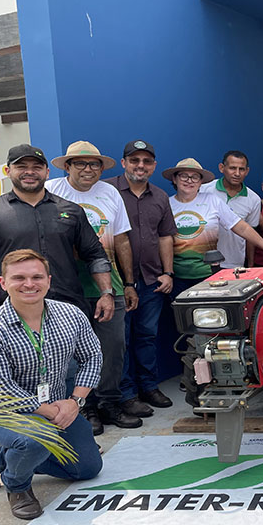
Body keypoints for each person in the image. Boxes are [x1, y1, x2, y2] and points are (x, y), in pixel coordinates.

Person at [0, 249, 103, 520]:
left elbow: (92, 356)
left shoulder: (71, 315)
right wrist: (51, 412)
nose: (29, 284)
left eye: (36, 277)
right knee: (36, 439)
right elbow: (1, 389)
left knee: (86, 468)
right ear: (3, 283)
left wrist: (74, 401)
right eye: (19, 278)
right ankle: (17, 485)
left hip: (56, 406)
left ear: (49, 281)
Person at [45, 141, 140, 434]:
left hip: (107, 288)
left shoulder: (109, 192)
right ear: (67, 167)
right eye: (81, 164)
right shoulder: (51, 192)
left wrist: (128, 283)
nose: (88, 169)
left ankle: (110, 402)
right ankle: (82, 409)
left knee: (112, 349)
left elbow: (122, 240)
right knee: (69, 353)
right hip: (65, 289)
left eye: (94, 164)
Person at [0, 144, 113, 326]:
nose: (30, 172)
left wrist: (106, 293)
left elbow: (95, 255)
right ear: (8, 171)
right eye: (22, 167)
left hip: (68, 311)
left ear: (47, 172)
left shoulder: (72, 211)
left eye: (37, 167)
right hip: (13, 314)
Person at [106, 140, 177, 415]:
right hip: (114, 281)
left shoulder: (160, 197)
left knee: (147, 336)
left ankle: (149, 386)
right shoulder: (107, 191)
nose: (140, 166)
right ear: (123, 163)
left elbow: (165, 237)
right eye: (134, 160)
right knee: (119, 339)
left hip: (151, 281)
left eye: (146, 162)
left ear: (154, 166)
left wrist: (167, 272)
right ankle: (125, 394)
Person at [167, 159, 263, 283]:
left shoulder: (212, 200)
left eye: (195, 177)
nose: (189, 180)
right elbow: (161, 240)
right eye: (184, 176)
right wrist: (166, 273)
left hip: (209, 274)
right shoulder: (166, 204)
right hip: (176, 276)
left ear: (200, 182)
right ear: (174, 179)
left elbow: (241, 227)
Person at [199, 150, 262, 269]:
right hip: (203, 263)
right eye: (232, 168)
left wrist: (250, 264)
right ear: (222, 168)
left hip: (234, 263)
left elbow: (250, 236)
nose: (237, 173)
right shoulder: (204, 190)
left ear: (247, 171)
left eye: (241, 169)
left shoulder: (254, 199)